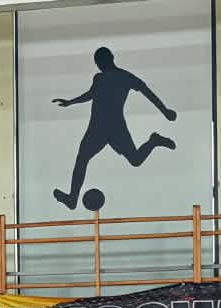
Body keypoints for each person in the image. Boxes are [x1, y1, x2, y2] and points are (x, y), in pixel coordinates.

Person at [50, 45, 179, 210]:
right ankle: (72, 198)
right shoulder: (99, 78)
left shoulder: (124, 77)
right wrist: (70, 102)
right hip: (97, 127)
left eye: (101, 61)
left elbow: (147, 92)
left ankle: (153, 141)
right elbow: (91, 94)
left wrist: (165, 111)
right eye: (98, 63)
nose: (100, 65)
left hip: (115, 127)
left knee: (135, 160)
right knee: (82, 158)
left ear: (111, 58)